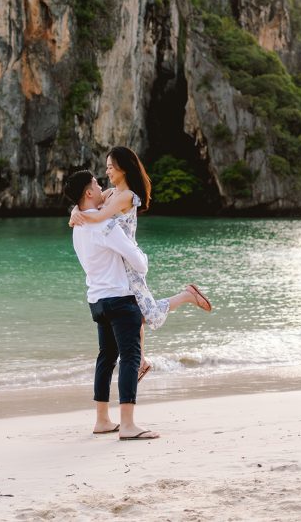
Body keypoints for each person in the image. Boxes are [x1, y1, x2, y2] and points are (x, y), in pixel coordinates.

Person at [69, 146, 212, 382]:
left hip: (130, 263)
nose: (107, 172)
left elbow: (98, 216)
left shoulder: (126, 196)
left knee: (148, 314)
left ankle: (187, 295)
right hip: (118, 262)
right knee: (137, 315)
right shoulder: (112, 193)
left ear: (124, 169)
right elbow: (89, 203)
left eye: (111, 167)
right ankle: (142, 361)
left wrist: (77, 214)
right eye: (106, 168)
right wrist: (76, 208)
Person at [64, 169, 159, 440]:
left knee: (105, 358)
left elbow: (96, 200)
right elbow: (139, 264)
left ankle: (102, 420)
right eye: (95, 183)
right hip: (119, 298)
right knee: (130, 358)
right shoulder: (106, 225)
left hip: (96, 300)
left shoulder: (79, 224)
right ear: (88, 193)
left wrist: (77, 207)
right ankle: (128, 424)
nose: (101, 184)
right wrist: (141, 253)